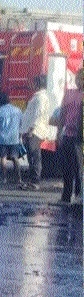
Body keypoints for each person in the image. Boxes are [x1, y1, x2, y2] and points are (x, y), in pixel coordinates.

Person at [21, 73, 58, 185]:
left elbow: (38, 115)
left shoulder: (41, 98)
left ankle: (35, 180)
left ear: (38, 84)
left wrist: (31, 129)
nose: (32, 84)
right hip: (31, 130)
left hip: (35, 131)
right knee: (31, 156)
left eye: (34, 82)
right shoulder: (37, 96)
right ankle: (32, 180)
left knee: (34, 156)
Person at [55, 69, 83, 205]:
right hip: (68, 135)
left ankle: (79, 195)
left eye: (81, 79)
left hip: (80, 137)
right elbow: (62, 114)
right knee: (67, 168)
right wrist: (59, 132)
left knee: (79, 169)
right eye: (78, 78)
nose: (79, 81)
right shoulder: (69, 93)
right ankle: (66, 196)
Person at [0, 92, 24, 184]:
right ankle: (19, 179)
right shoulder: (18, 110)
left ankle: (4, 178)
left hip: (2, 139)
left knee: (3, 158)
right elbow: (22, 124)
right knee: (15, 158)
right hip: (14, 138)